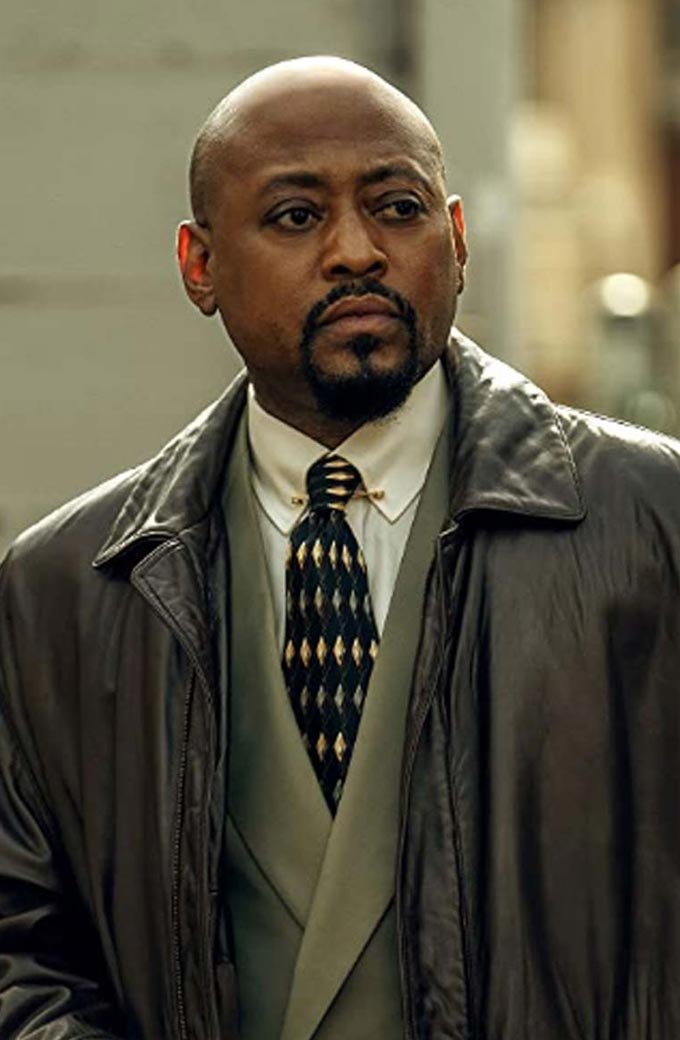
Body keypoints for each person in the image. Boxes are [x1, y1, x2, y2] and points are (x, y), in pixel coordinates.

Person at [1, 53, 680, 1040]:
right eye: (295, 216)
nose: (356, 251)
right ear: (199, 266)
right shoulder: (63, 591)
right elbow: (22, 949)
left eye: (397, 209)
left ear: (456, 239)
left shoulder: (652, 525)